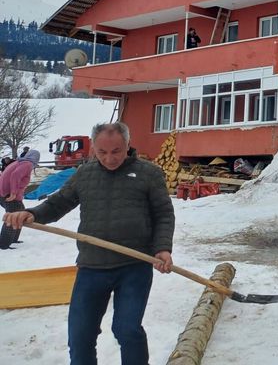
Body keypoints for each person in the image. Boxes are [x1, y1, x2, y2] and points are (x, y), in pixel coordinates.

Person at [3, 122, 175, 365]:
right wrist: (32, 214)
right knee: (81, 335)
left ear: (127, 144)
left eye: (116, 151)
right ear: (93, 148)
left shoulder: (148, 173)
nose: (109, 158)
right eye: (102, 152)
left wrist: (163, 248)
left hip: (135, 265)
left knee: (128, 330)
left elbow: (164, 214)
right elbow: (59, 202)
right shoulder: (85, 174)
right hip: (92, 266)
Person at [0, 149, 40, 249]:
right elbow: (15, 176)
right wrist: (13, 193)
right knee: (13, 216)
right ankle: (4, 244)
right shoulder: (27, 164)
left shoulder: (20, 162)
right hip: (9, 194)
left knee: (20, 213)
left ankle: (13, 239)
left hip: (5, 193)